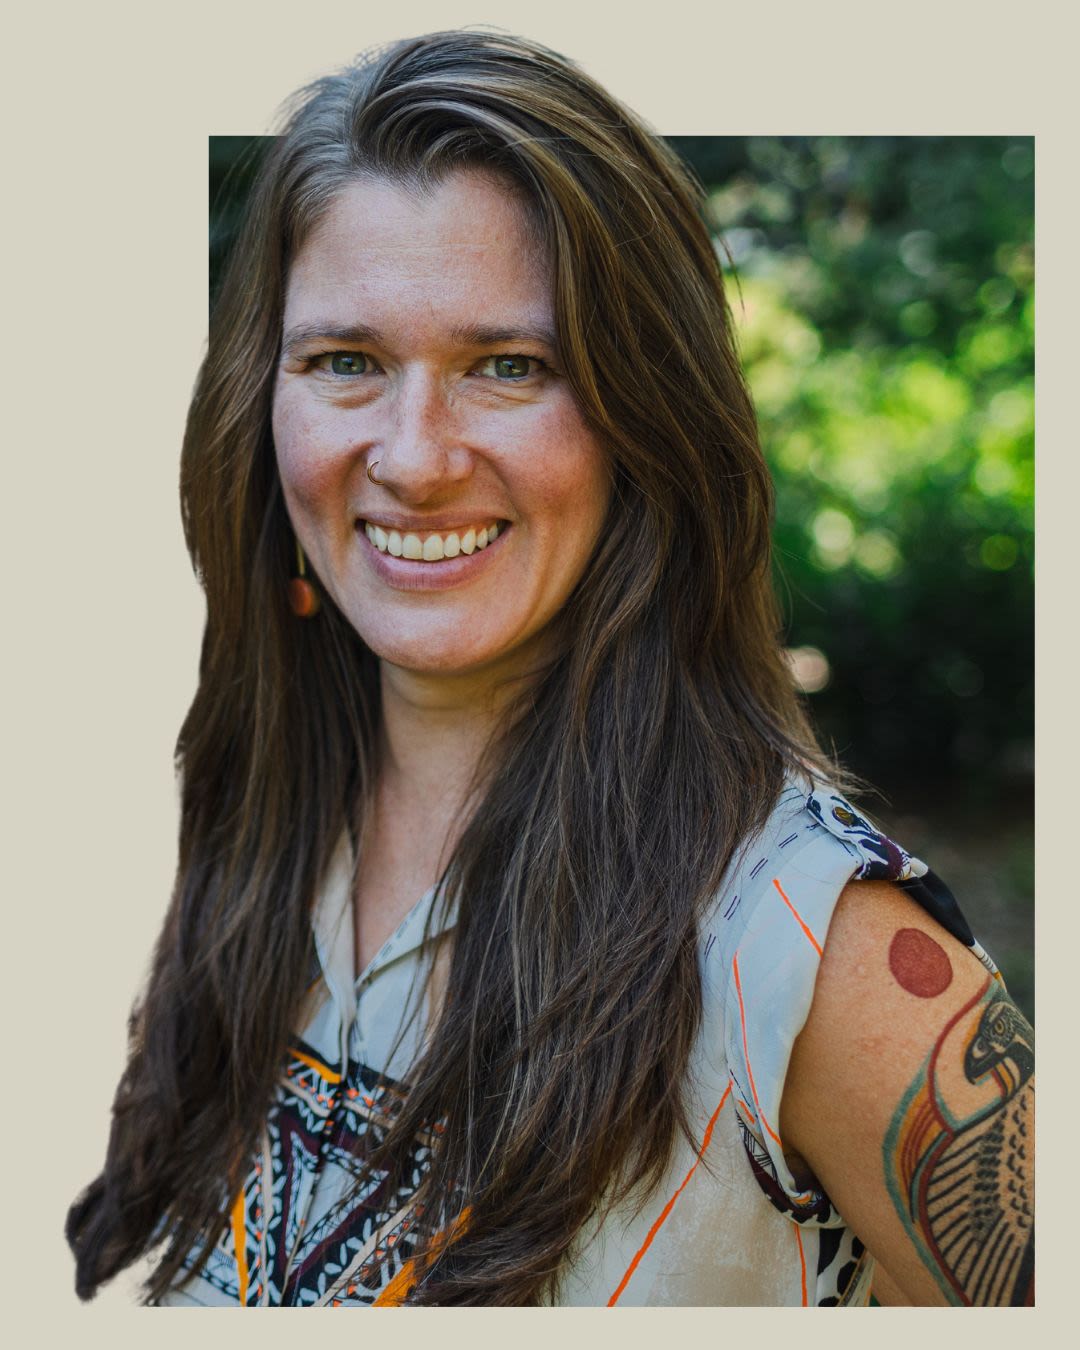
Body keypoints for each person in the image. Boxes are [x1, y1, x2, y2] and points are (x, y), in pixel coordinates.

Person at [66, 30, 1034, 1307]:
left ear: (649, 417)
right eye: (346, 362)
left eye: (509, 367)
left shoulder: (806, 951)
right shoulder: (208, 850)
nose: (414, 458)